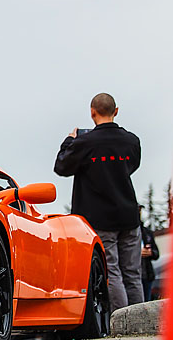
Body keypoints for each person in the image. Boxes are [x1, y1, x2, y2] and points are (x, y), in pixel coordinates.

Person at [54, 92, 144, 313]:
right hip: (128, 214)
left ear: (92, 112)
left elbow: (61, 167)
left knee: (111, 270)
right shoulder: (131, 140)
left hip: (100, 217)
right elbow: (132, 166)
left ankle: (121, 322)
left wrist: (69, 142)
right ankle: (142, 321)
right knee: (132, 272)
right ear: (116, 111)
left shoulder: (85, 143)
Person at [139, 205, 160, 301]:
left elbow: (156, 253)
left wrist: (150, 252)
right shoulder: (127, 233)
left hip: (147, 275)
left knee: (146, 302)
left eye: (140, 210)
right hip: (133, 274)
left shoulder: (147, 232)